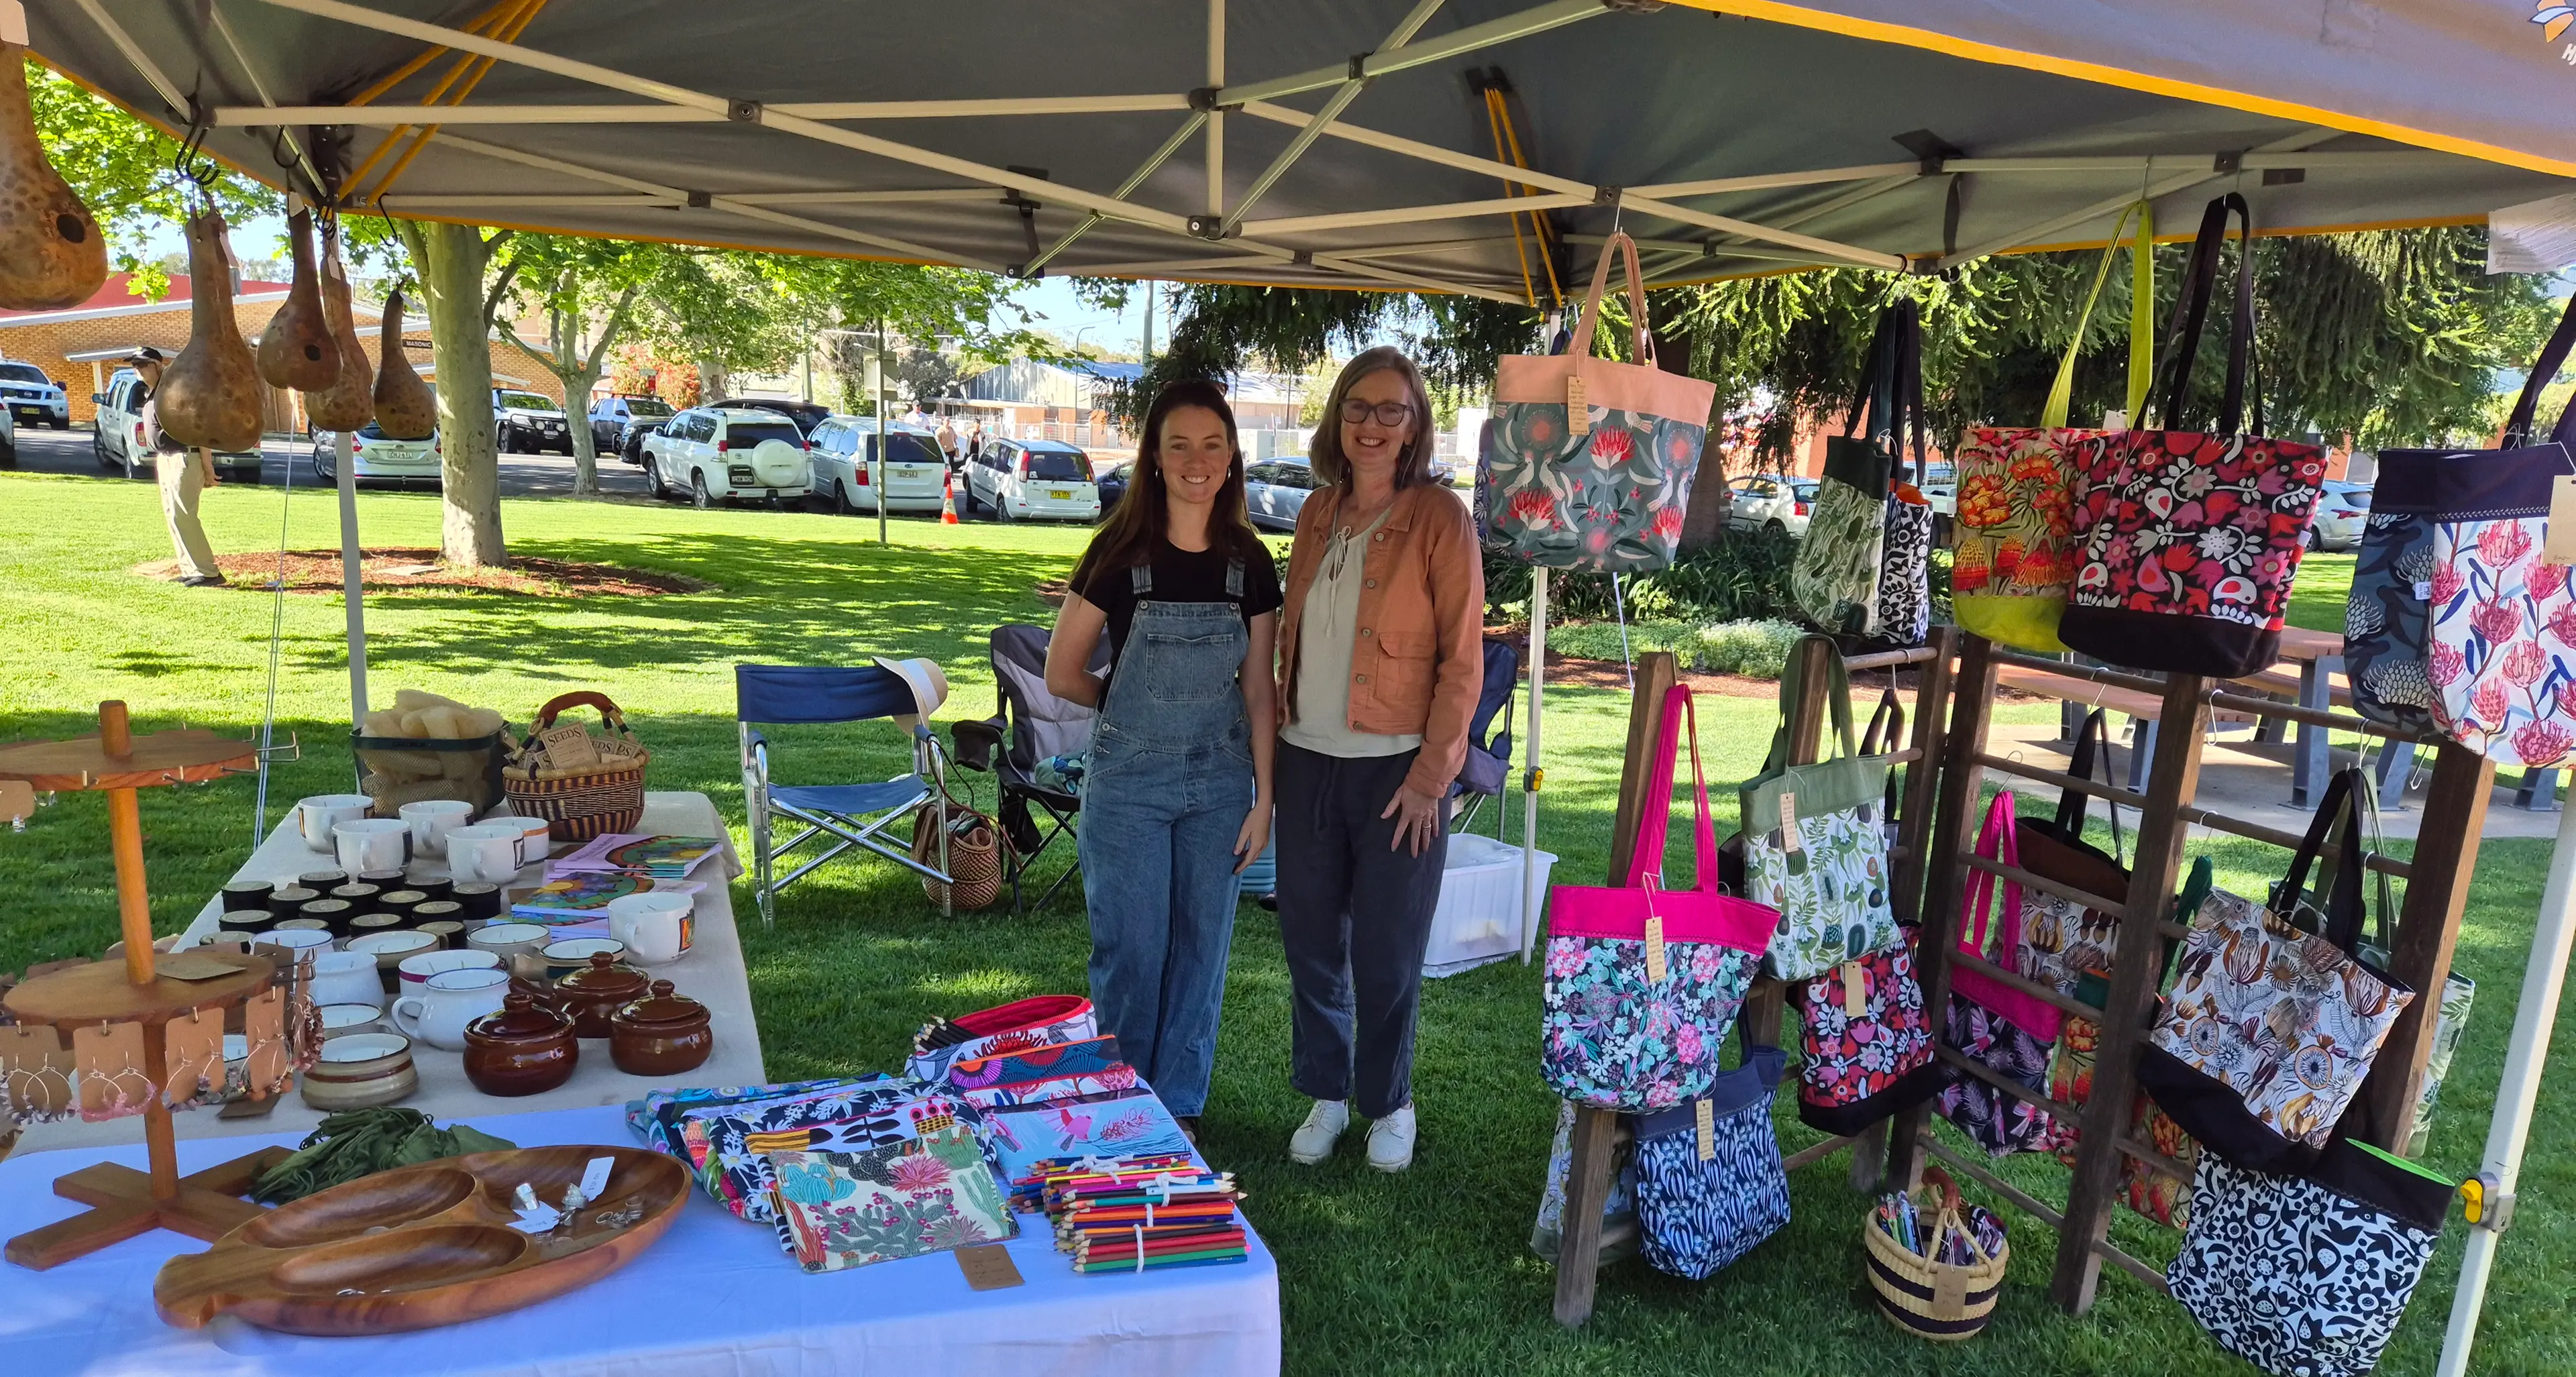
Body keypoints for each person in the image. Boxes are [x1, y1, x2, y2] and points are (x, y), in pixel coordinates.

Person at [1046, 378, 1281, 1139]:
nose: (1196, 460)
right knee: (1133, 950)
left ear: (1232, 457)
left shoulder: (1250, 561)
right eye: (1178, 444)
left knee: (1200, 949)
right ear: (1153, 456)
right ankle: (1117, 1102)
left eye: (1213, 444)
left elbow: (1259, 692)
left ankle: (1178, 1110)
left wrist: (1263, 797)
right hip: (1130, 785)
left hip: (1219, 784)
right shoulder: (1121, 552)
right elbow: (1062, 671)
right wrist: (1124, 715)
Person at [1273, 346, 1483, 1173]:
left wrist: (1433, 777)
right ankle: (1328, 1094)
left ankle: (1390, 1101)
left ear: (1414, 426)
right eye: (1357, 407)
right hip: (1305, 760)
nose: (1371, 424)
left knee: (1388, 949)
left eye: (1391, 410)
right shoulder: (1315, 513)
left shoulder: (1441, 518)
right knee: (1310, 939)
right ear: (1337, 419)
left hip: (1397, 771)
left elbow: (1461, 663)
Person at [131, 348, 225, 588]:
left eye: (144, 364)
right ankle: (190, 568)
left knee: (184, 515)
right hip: (166, 459)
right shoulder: (153, 393)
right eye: (136, 365)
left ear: (158, 365)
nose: (139, 370)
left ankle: (208, 572)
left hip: (184, 457)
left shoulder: (175, 391)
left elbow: (200, 427)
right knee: (173, 516)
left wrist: (207, 466)